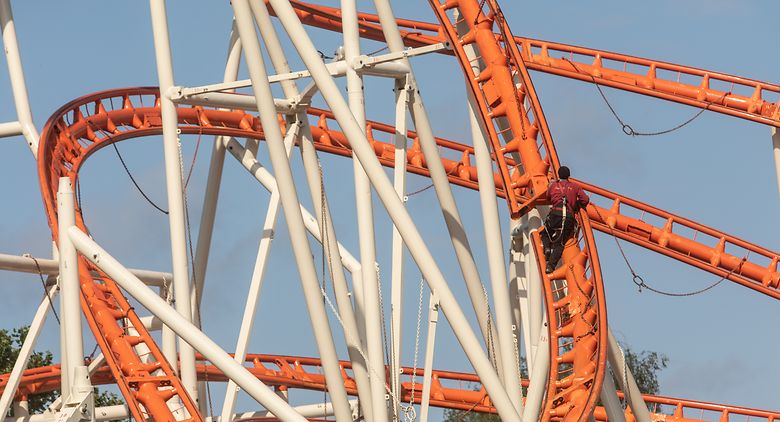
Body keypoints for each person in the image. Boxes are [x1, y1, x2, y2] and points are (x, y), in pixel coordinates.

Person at [540, 166, 590, 274]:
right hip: (568, 218)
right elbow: (585, 199)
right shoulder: (575, 187)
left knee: (545, 233)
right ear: (568, 176)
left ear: (558, 175)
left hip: (555, 214)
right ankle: (550, 267)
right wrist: (576, 204)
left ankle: (547, 248)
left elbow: (548, 196)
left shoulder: (553, 186)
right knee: (560, 244)